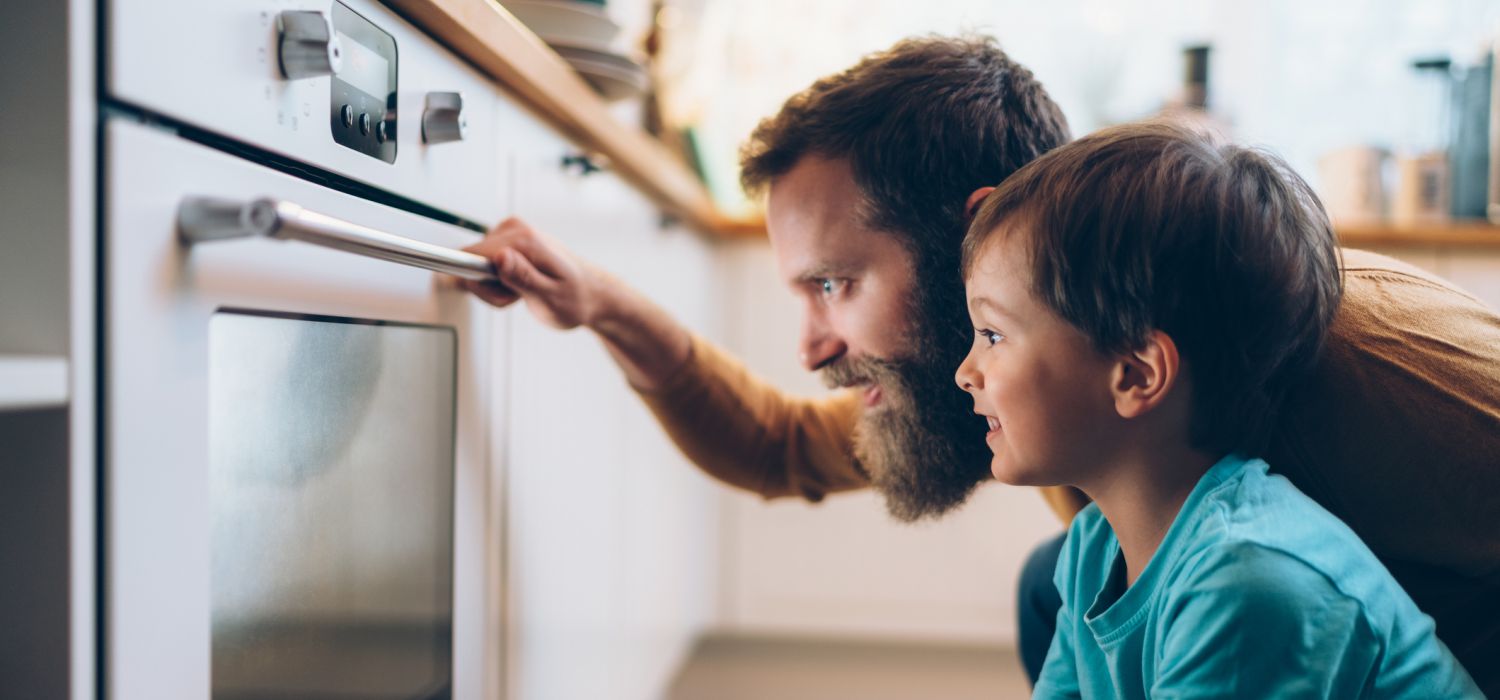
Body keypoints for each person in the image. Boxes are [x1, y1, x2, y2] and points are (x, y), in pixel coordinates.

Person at [457, 36, 1500, 693]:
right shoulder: (1027, 376)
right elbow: (778, 446)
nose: (816, 344)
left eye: (835, 284)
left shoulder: (1361, 361)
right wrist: (599, 304)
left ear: (976, 236)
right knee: (1063, 579)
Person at [955, 119, 1481, 698]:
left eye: (993, 335)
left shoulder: (1247, 583)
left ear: (1135, 375)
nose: (966, 372)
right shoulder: (1093, 547)